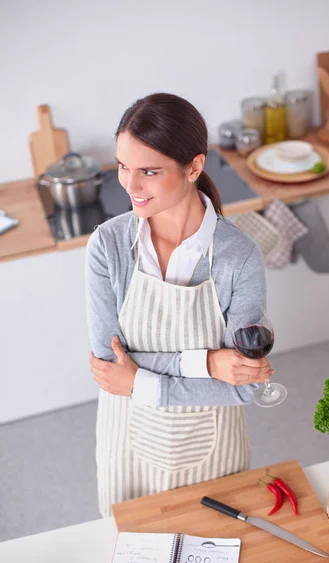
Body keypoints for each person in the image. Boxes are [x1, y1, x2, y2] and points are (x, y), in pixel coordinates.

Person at [86, 92, 273, 518]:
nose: (130, 186)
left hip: (213, 448)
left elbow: (243, 388)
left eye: (149, 171)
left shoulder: (238, 256)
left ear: (194, 167)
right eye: (123, 167)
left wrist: (140, 380)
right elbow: (108, 366)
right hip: (128, 443)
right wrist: (208, 364)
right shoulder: (108, 245)